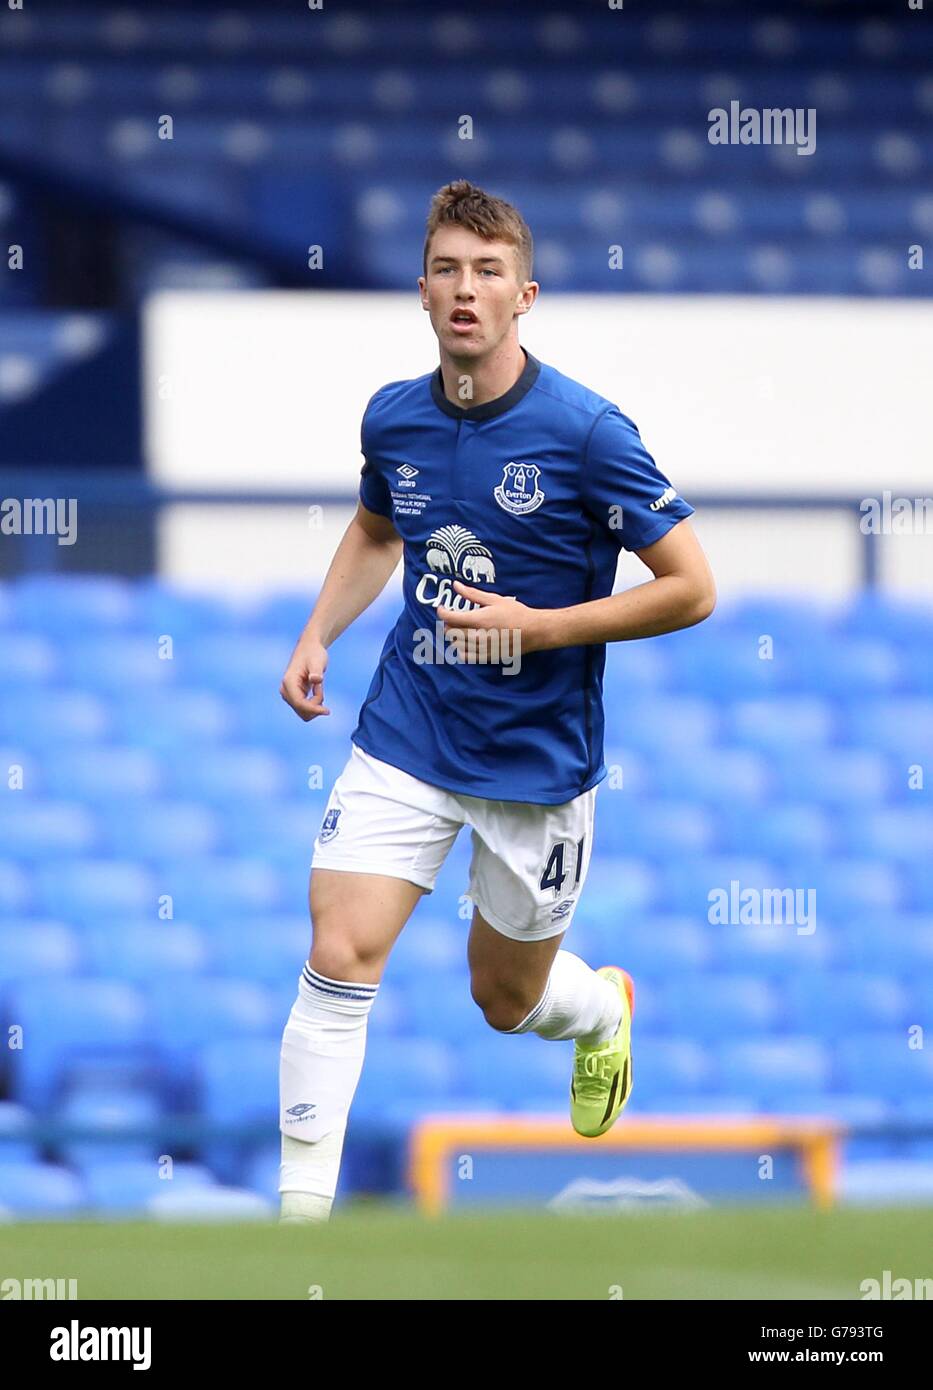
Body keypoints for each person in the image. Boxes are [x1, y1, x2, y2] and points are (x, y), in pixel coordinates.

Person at [277, 179, 716, 1223]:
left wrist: (539, 626)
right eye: (446, 269)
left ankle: (603, 1005)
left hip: (535, 761)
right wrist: (317, 630)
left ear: (527, 296)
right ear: (421, 292)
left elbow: (693, 587)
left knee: (503, 999)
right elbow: (380, 529)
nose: (464, 290)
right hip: (410, 726)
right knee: (338, 950)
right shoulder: (394, 417)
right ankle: (298, 1229)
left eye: (487, 272)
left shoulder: (588, 433)